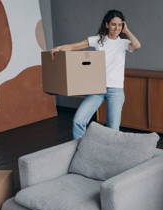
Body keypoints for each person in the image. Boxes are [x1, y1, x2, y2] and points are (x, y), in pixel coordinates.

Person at [51, 10, 141, 139]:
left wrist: (126, 31)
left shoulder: (123, 43)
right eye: (113, 24)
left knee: (113, 128)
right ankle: (79, 148)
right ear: (107, 24)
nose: (117, 28)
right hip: (97, 88)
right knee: (78, 120)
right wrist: (59, 48)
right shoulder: (98, 40)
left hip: (116, 90)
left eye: (120, 25)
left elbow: (137, 45)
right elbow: (75, 46)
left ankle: (111, 154)